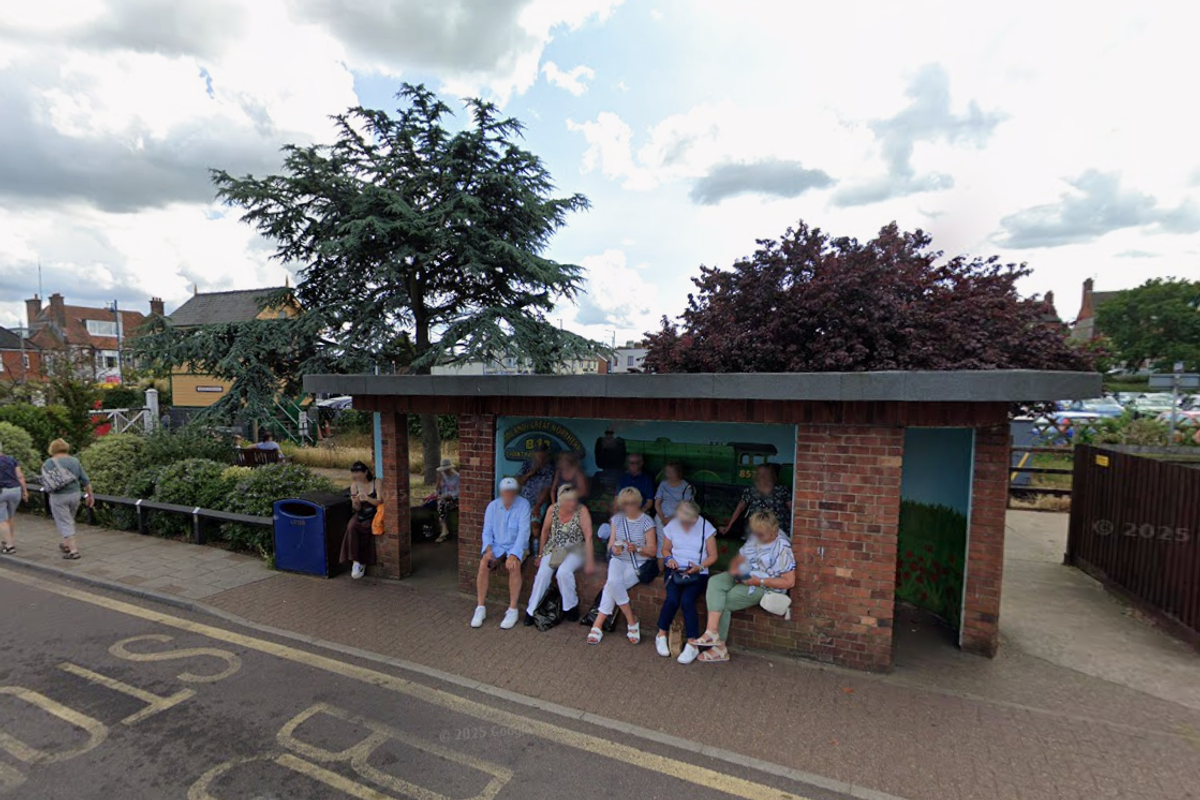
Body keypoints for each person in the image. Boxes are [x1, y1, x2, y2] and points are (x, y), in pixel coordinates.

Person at [690, 510, 796, 663]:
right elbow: (739, 559)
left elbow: (789, 581)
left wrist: (758, 581)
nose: (757, 538)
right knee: (715, 582)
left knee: (724, 601)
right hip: (746, 577)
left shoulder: (782, 548)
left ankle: (720, 648)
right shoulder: (755, 536)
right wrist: (737, 571)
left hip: (763, 585)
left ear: (773, 531)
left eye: (761, 535)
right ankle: (712, 632)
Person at [586, 487, 656, 645]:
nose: (629, 507)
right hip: (618, 560)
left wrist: (637, 548)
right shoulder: (616, 519)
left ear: (638, 503)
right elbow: (610, 545)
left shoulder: (647, 521)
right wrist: (614, 550)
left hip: (637, 562)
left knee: (611, 585)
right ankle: (632, 620)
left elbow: (652, 550)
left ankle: (598, 623)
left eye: (632, 503)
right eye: (625, 504)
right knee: (613, 583)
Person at [656, 500, 717, 664]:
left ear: (695, 517)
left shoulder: (706, 527)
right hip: (675, 570)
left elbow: (713, 556)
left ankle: (692, 643)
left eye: (688, 522)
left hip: (697, 572)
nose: (684, 525)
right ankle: (661, 633)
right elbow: (665, 549)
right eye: (681, 521)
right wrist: (668, 559)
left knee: (687, 601)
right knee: (672, 599)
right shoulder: (673, 525)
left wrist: (700, 566)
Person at [526, 485, 595, 626]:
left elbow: (588, 536)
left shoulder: (582, 510)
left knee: (563, 573)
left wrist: (590, 560)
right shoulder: (552, 509)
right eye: (569, 501)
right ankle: (531, 610)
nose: (572, 504)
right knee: (543, 574)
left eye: (574, 500)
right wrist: (540, 555)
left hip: (575, 548)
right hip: (555, 548)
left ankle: (570, 607)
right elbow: (544, 532)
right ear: (561, 501)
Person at [471, 477, 531, 630]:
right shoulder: (492, 506)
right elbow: (487, 531)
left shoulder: (524, 505)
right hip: (498, 545)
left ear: (515, 492)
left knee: (514, 565)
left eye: (511, 491)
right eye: (506, 491)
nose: (508, 494)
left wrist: (514, 555)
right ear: (501, 492)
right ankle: (480, 608)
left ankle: (512, 609)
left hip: (517, 546)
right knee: (484, 564)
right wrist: (488, 550)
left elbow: (523, 533)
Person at [42, 439, 93, 560]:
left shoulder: (49, 462)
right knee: (69, 519)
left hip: (58, 496)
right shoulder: (75, 461)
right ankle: (66, 544)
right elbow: (85, 479)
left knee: (64, 522)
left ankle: (73, 550)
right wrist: (90, 495)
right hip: (75, 494)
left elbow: (46, 481)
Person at [721, 464, 791, 538]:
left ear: (772, 476)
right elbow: (739, 509)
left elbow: (792, 510)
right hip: (757, 533)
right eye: (760, 474)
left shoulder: (782, 491)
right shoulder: (750, 491)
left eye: (765, 474)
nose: (762, 477)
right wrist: (729, 526)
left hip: (777, 533)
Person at [340, 461, 380, 579]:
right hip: (361, 512)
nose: (357, 478)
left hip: (373, 512)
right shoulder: (354, 485)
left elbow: (380, 501)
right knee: (351, 526)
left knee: (367, 528)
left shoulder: (376, 482)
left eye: (359, 475)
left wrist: (367, 498)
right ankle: (355, 560)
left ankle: (363, 560)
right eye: (354, 475)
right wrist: (355, 501)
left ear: (365, 472)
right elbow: (356, 508)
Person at [654, 461, 694, 552]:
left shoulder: (686, 486)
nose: (668, 475)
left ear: (678, 472)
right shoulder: (663, 484)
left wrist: (671, 518)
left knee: (676, 544)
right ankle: (661, 566)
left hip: (678, 518)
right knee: (662, 544)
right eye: (667, 472)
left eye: (671, 472)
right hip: (662, 517)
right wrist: (663, 518)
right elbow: (657, 503)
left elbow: (686, 507)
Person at [0, 443, 29, 555]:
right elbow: (20, 476)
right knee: (10, 516)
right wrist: (25, 491)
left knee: (2, 519)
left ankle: (9, 546)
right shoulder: (12, 460)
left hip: (1, 491)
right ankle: (9, 539)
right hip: (15, 490)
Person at [515, 445, 555, 521]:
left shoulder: (549, 468)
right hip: (524, 501)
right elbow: (518, 482)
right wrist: (531, 472)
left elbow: (546, 489)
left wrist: (537, 507)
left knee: (535, 525)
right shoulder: (527, 464)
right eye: (538, 455)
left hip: (539, 503)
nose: (540, 458)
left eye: (543, 455)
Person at [434, 458, 460, 544]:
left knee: (442, 505)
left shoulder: (457, 477)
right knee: (432, 503)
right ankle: (442, 529)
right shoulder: (442, 475)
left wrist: (450, 496)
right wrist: (438, 481)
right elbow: (438, 490)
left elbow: (458, 492)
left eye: (446, 470)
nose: (445, 472)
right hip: (443, 497)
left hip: (454, 499)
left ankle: (444, 531)